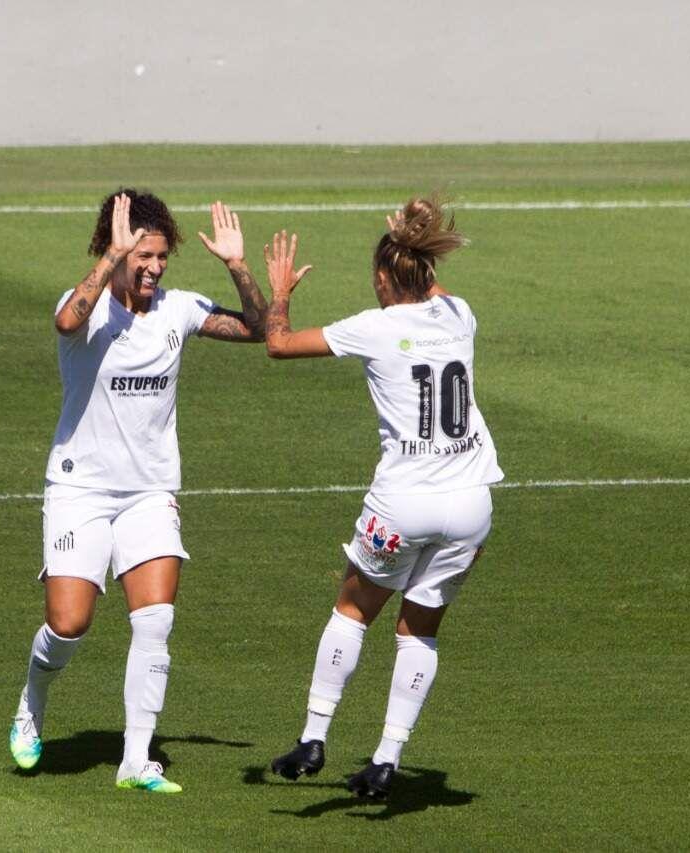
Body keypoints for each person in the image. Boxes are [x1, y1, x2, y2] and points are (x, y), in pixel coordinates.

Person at [8, 190, 269, 793]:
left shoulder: (179, 310)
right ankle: (32, 700)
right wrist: (110, 258)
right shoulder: (87, 309)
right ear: (118, 251)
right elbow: (65, 320)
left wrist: (237, 265)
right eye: (142, 256)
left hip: (150, 492)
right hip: (80, 490)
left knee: (154, 621)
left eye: (161, 256)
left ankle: (135, 759)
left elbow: (259, 329)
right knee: (68, 624)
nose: (153, 268)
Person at [261, 199, 503, 800]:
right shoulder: (460, 314)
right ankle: (388, 758)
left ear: (381, 277)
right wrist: (413, 234)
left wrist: (281, 292)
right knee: (419, 631)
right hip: (470, 504)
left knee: (352, 610)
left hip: (404, 502)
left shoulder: (374, 326)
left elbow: (279, 344)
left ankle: (313, 738)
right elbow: (430, 284)